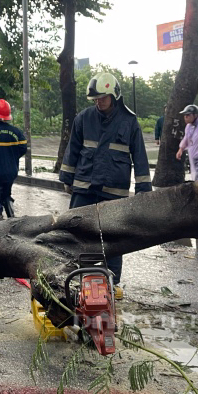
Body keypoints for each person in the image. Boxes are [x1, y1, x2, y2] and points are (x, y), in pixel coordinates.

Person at [59, 72, 152, 300]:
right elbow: (73, 150)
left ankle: (111, 280)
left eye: (102, 98)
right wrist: (67, 179)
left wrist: (143, 191)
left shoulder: (129, 121)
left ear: (113, 95)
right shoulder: (84, 118)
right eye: (96, 99)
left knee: (113, 235)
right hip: (84, 185)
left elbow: (139, 156)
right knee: (79, 232)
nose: (99, 102)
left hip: (114, 189)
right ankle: (81, 276)